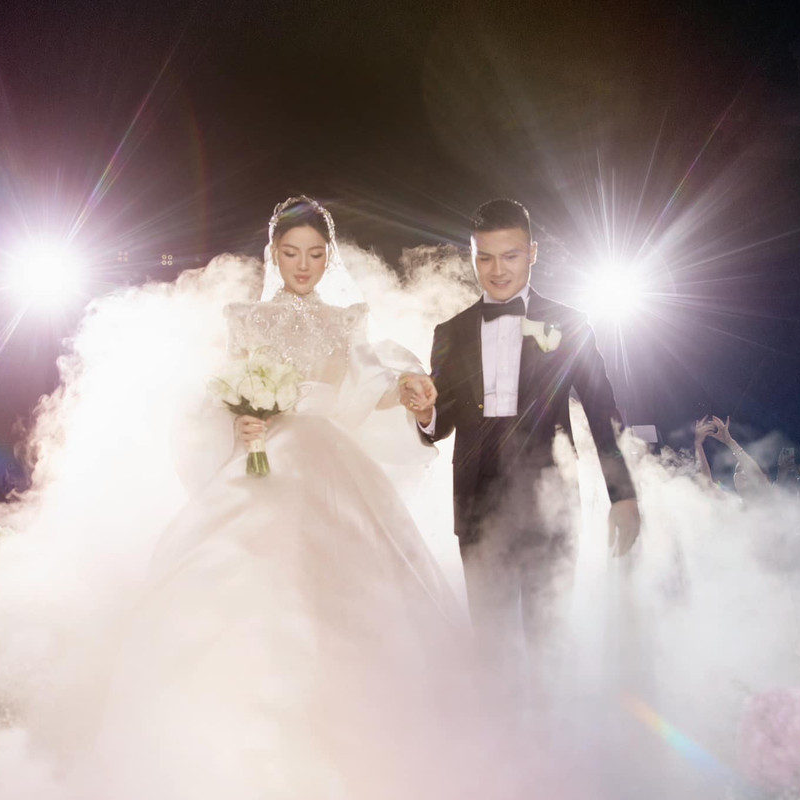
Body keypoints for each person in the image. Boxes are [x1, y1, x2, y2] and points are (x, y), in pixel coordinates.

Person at [97, 197, 474, 798]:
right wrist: (240, 424)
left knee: (345, 587)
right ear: (274, 254)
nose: (304, 265)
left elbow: (368, 386)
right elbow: (223, 396)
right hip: (264, 462)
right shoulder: (246, 318)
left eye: (316, 255)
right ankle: (236, 734)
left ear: (329, 258)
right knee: (245, 579)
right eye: (292, 253)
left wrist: (406, 389)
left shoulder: (346, 320)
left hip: (329, 458)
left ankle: (349, 740)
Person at [406, 198, 639, 683]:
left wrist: (623, 496)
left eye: (510, 256)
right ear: (472, 256)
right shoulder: (450, 332)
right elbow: (442, 420)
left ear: (532, 252)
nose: (497, 270)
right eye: (485, 257)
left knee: (547, 643)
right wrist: (426, 413)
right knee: (489, 648)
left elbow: (603, 414)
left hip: (549, 501)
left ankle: (550, 728)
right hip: (476, 504)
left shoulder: (571, 324)